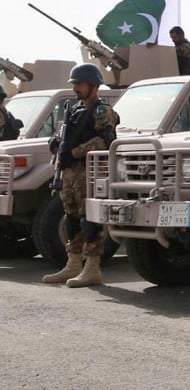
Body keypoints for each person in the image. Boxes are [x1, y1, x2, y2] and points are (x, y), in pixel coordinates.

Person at [42, 63, 119, 288]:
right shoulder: (73, 111)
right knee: (71, 217)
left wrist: (75, 152)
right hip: (70, 173)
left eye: (79, 84)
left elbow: (107, 140)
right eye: (74, 84)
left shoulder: (102, 111)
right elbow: (61, 136)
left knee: (89, 220)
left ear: (93, 85)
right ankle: (73, 263)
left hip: (89, 171)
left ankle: (92, 267)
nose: (75, 88)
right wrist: (55, 144)